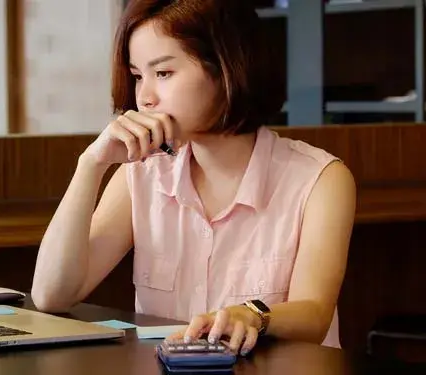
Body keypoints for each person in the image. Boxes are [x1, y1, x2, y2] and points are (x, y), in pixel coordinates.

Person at [30, 0, 356, 356]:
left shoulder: (320, 179)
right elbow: (51, 294)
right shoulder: (142, 174)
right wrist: (91, 163)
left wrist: (251, 315)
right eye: (138, 76)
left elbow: (314, 314)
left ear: (227, 68)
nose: (145, 98)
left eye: (164, 74)